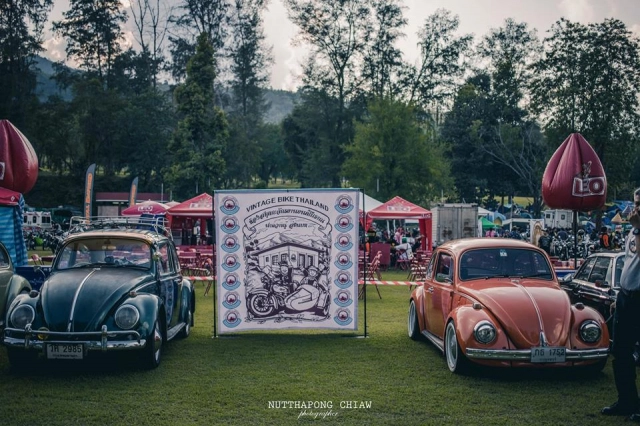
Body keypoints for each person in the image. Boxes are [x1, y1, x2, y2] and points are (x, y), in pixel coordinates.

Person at [602, 188, 640, 420]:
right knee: (620, 351)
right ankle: (627, 401)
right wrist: (619, 295)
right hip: (627, 296)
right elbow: (628, 263)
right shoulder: (632, 231)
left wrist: (638, 228)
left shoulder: (637, 229)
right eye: (636, 203)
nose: (637, 208)